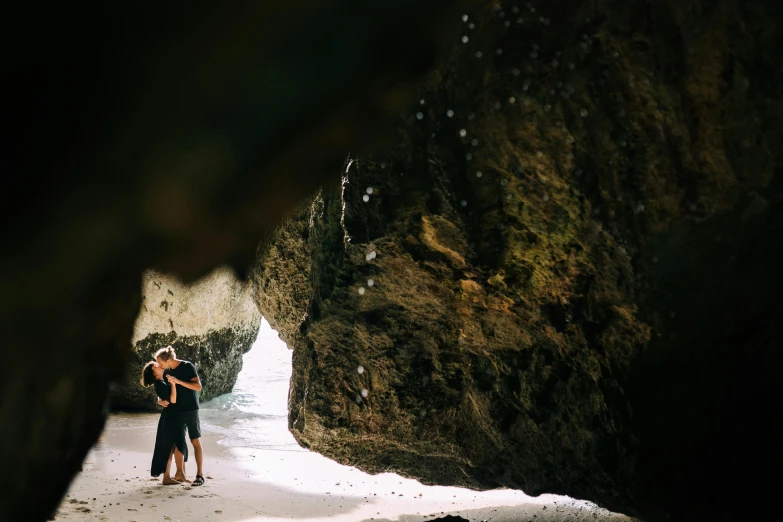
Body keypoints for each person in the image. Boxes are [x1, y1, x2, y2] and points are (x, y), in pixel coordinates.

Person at [155, 345, 206, 487]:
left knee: (195, 441)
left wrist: (179, 382)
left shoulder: (187, 366)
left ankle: (200, 475)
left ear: (168, 360)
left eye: (160, 362)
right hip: (175, 411)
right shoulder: (166, 372)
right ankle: (179, 474)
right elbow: (162, 392)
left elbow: (198, 387)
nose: (159, 365)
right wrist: (159, 400)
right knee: (176, 443)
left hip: (191, 410)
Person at [140, 360, 189, 484]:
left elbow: (164, 395)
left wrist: (160, 398)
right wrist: (172, 386)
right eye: (154, 365)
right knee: (172, 446)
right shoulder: (160, 383)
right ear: (154, 372)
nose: (157, 363)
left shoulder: (163, 379)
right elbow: (172, 400)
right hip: (172, 416)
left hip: (173, 415)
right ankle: (173, 476)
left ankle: (175, 475)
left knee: (172, 446)